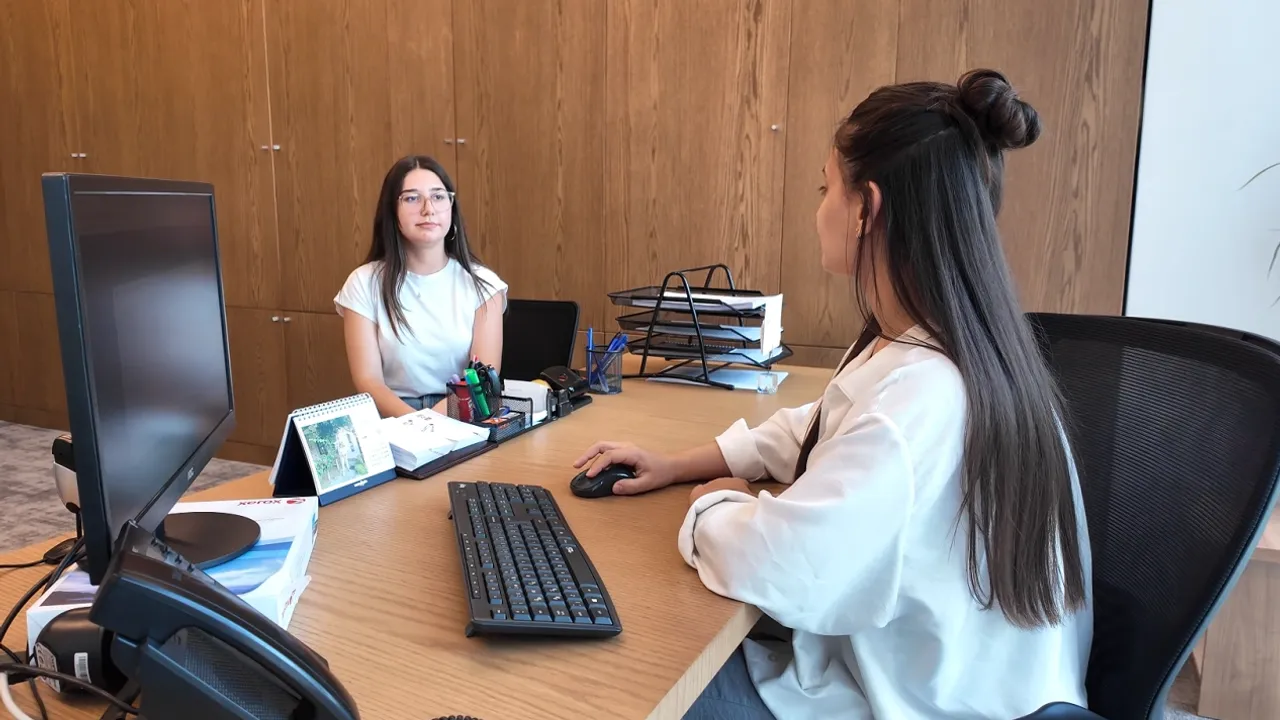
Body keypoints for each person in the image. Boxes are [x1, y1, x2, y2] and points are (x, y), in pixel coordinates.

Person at [574, 69, 1093, 719]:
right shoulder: (935, 346)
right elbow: (815, 426)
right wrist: (676, 465)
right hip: (941, 672)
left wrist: (715, 506)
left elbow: (782, 566)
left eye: (826, 188)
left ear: (866, 208)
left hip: (917, 704)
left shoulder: (923, 397)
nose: (819, 208)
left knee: (618, 677)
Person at [336, 155, 507, 418]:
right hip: (392, 416)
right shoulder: (363, 282)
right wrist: (415, 426)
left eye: (438, 196)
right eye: (412, 198)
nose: (428, 209)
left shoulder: (484, 285)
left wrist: (432, 424)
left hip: (461, 413)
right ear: (392, 211)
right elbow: (368, 381)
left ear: (451, 208)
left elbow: (482, 380)